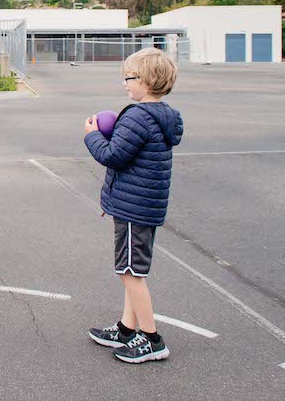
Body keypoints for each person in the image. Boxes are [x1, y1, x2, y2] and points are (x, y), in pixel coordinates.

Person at [83, 48, 183, 363]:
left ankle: (151, 339)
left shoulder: (138, 116)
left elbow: (113, 155)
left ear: (147, 80)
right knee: (133, 269)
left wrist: (92, 135)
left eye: (129, 78)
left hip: (133, 209)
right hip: (143, 205)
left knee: (129, 272)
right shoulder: (164, 115)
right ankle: (127, 329)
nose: (125, 84)